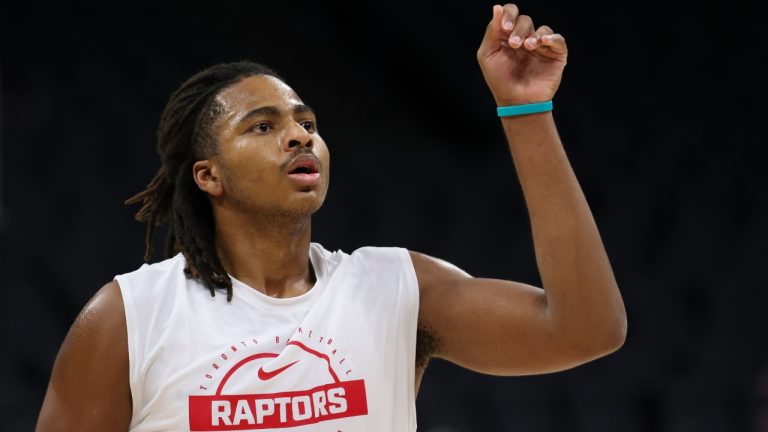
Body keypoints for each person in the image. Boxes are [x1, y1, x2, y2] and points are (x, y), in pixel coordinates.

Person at [36, 4, 627, 431]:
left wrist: (527, 114)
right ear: (208, 175)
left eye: (308, 124)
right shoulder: (128, 318)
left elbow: (587, 331)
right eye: (263, 126)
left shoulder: (395, 287)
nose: (298, 135)